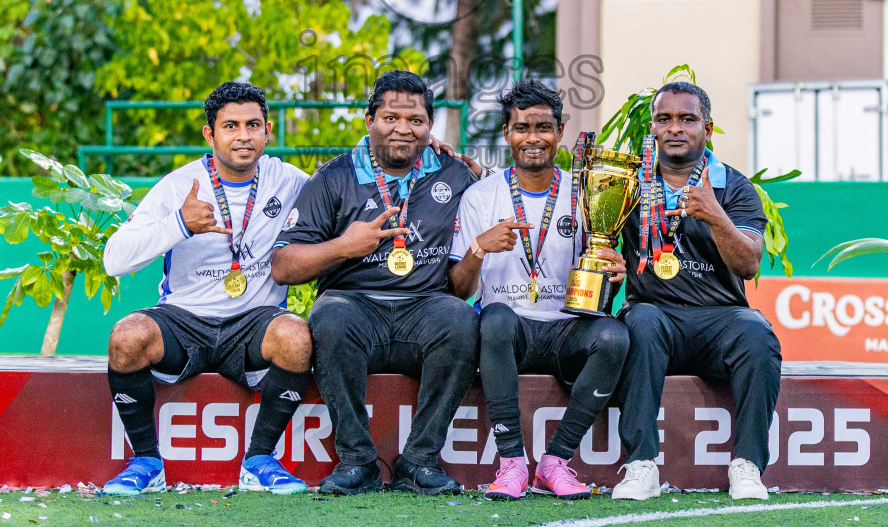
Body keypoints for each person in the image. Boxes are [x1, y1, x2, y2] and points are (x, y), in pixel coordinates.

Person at [271, 70, 481, 496]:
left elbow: (509, 189)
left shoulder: (457, 175)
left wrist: (476, 165)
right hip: (354, 304)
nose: (404, 128)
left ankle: (419, 461)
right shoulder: (333, 177)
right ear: (369, 120)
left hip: (426, 305)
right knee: (328, 318)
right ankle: (358, 461)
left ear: (430, 126)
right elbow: (283, 265)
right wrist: (345, 247)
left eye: (416, 120)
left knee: (462, 319)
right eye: (391, 117)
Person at [99, 81, 312, 496]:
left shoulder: (290, 180)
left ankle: (259, 461)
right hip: (184, 319)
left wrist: (429, 146)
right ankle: (145, 462)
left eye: (253, 125)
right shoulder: (180, 185)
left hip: (254, 319)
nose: (243, 136)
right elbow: (114, 260)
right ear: (209, 134)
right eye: (230, 126)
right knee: (127, 337)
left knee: (296, 336)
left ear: (268, 130)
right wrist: (179, 224)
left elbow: (347, 182)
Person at [449, 79, 630, 500]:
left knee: (614, 335)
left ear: (560, 132)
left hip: (566, 328)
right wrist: (479, 248)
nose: (533, 138)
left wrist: (613, 270)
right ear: (507, 134)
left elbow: (603, 268)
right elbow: (457, 290)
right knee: (492, 318)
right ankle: (511, 463)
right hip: (507, 332)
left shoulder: (586, 194)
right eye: (522, 128)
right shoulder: (480, 197)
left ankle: (555, 462)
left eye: (543, 127)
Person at [612, 81, 781, 502]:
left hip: (719, 317)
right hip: (656, 314)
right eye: (664, 119)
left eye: (687, 119)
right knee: (641, 322)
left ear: (707, 128)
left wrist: (716, 216)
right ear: (651, 127)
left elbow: (748, 263)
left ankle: (748, 464)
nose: (675, 128)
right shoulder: (628, 184)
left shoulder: (734, 186)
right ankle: (641, 464)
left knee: (757, 334)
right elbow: (597, 243)